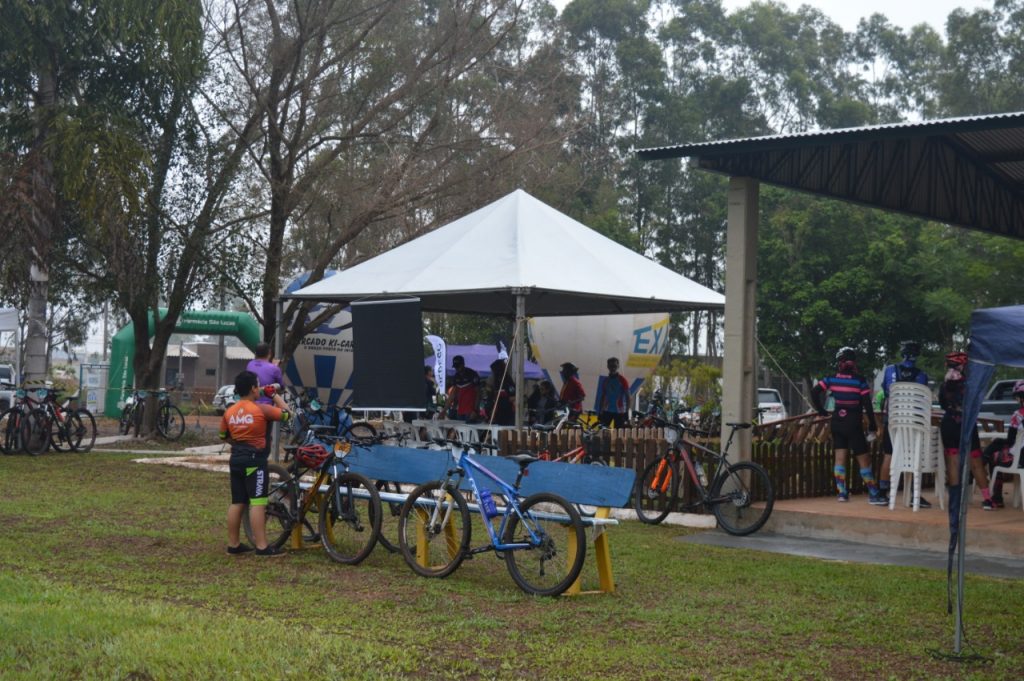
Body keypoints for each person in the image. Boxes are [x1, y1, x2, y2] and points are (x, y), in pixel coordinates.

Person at [220, 370, 291, 556]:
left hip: (235, 460)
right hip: (255, 460)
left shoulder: (230, 411)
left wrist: (239, 445)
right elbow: (287, 414)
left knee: (237, 502)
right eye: (258, 385)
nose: (259, 388)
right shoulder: (261, 409)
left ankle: (233, 545)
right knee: (258, 502)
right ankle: (262, 546)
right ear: (253, 388)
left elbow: (224, 436)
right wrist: (274, 395)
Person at [811, 346, 884, 504]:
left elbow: (814, 391)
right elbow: (867, 404)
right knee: (863, 460)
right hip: (853, 423)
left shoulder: (831, 379)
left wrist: (821, 410)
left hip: (837, 422)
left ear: (840, 362)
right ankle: (873, 493)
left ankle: (842, 493)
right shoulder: (860, 381)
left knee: (839, 459)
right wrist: (872, 424)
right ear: (854, 362)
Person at [877, 341, 931, 507]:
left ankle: (882, 493)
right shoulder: (922, 375)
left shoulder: (890, 370)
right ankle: (915, 495)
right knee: (915, 457)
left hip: (893, 421)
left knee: (889, 454)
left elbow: (886, 392)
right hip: (914, 423)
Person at [939, 351, 994, 510]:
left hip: (949, 423)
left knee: (953, 462)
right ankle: (987, 500)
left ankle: (955, 501)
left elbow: (943, 405)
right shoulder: (969, 384)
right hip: (966, 423)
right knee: (976, 462)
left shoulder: (944, 384)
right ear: (964, 367)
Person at [983, 379, 1024, 507]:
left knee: (995, 455)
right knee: (998, 445)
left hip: (1020, 459)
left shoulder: (1018, 415)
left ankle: (997, 497)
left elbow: (1010, 441)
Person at [594, 357, 630, 428]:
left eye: (615, 366)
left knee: (617, 434)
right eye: (611, 366)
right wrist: (600, 412)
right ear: (608, 367)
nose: (613, 368)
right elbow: (603, 397)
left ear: (618, 366)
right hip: (607, 410)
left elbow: (628, 397)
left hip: (620, 411)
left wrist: (627, 411)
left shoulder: (622, 380)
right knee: (603, 432)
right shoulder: (606, 380)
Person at [448, 355, 481, 421]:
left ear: (463, 364)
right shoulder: (456, 376)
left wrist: (475, 410)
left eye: (458, 366)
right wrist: (445, 410)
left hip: (471, 411)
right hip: (460, 411)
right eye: (455, 367)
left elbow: (479, 393)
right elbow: (453, 394)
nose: (457, 369)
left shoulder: (472, 374)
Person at [485, 358, 516, 426]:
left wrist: (505, 398)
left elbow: (514, 397)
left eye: (493, 371)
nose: (493, 373)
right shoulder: (496, 382)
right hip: (499, 414)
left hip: (508, 414)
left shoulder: (508, 381)